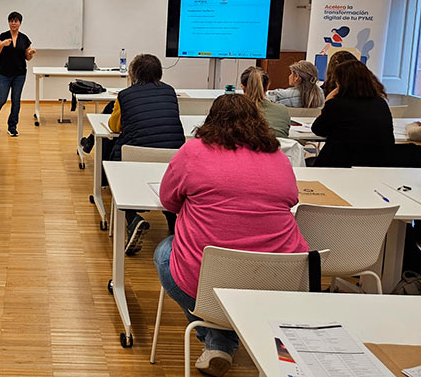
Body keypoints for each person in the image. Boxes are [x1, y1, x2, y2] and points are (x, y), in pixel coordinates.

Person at [155, 94, 308, 377]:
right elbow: (290, 199)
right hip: (280, 276)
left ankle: (219, 340)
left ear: (211, 120)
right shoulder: (277, 156)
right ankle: (226, 338)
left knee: (165, 253)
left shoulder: (193, 152)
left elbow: (168, 201)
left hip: (209, 276)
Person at [104, 54, 185, 254]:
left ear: (133, 74)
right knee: (165, 176)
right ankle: (173, 220)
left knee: (114, 163)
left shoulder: (125, 95)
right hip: (173, 154)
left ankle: (132, 219)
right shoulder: (170, 91)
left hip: (136, 153)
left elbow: (114, 126)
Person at [311, 59, 394, 167]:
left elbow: (318, 129)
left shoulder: (336, 105)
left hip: (339, 164)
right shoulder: (381, 103)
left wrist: (329, 99)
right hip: (377, 164)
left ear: (341, 82)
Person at [0, 11, 36, 136]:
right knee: (1, 99)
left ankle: (12, 126)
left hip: (19, 74)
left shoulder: (24, 38)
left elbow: (27, 57)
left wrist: (30, 54)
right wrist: (3, 44)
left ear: (20, 23)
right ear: (9, 22)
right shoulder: (3, 36)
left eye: (16, 21)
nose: (13, 23)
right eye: (11, 21)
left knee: (16, 101)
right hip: (4, 74)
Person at [240, 66, 290, 137]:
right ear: (267, 86)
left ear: (242, 87)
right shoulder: (282, 110)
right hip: (277, 147)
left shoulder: (234, 110)